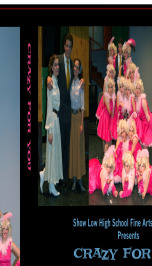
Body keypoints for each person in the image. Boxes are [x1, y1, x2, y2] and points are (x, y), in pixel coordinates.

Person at [40, 54, 63, 196]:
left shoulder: (55, 81)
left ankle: (44, 174)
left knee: (55, 152)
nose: (57, 67)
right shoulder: (51, 83)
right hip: (52, 120)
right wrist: (49, 130)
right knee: (52, 153)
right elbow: (49, 106)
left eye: (58, 64)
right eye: (55, 65)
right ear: (51, 67)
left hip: (56, 119)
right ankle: (51, 185)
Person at [57, 33, 74, 192]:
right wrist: (49, 80)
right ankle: (58, 177)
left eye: (70, 46)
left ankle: (65, 177)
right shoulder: (58, 61)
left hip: (70, 112)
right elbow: (52, 75)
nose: (68, 48)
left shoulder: (73, 64)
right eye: (66, 45)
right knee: (59, 145)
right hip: (59, 111)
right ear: (64, 46)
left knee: (67, 146)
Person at [69, 58, 86, 192]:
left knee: (79, 149)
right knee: (73, 149)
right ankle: (74, 180)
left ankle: (80, 180)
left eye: (77, 67)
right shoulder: (69, 83)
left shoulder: (81, 84)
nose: (75, 69)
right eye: (74, 67)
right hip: (71, 118)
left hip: (78, 118)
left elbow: (82, 105)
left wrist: (81, 124)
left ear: (80, 70)